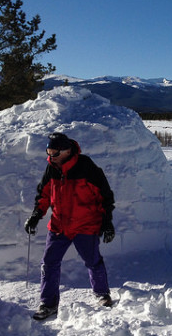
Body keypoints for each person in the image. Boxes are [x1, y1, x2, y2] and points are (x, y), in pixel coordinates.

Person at [24, 132, 116, 320]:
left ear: (66, 151)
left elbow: (104, 196)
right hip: (59, 226)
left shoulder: (86, 166)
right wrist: (36, 215)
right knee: (49, 263)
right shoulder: (52, 169)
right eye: (48, 152)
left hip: (85, 225)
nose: (50, 156)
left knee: (93, 261)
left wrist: (107, 222)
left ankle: (102, 294)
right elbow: (44, 195)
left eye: (54, 152)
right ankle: (48, 304)